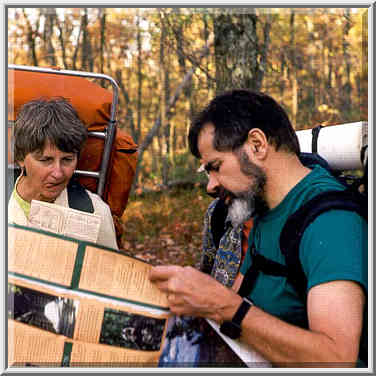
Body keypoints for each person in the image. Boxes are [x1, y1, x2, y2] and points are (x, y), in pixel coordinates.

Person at [150, 89, 367, 367]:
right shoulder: (263, 206)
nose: (211, 185)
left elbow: (337, 360)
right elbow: (244, 295)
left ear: (257, 144)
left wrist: (224, 306)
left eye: (216, 167)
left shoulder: (331, 223)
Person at [8, 97, 118, 250]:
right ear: (20, 158)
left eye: (67, 160)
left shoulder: (95, 212)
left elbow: (110, 271)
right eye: (46, 160)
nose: (58, 173)